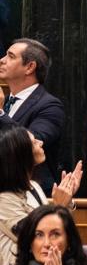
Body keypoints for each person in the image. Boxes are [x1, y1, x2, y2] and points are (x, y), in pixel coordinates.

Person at [0, 124, 78, 265]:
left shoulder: (34, 186)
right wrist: (59, 206)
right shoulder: (4, 200)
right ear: (21, 154)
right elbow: (31, 237)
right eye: (34, 142)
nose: (41, 143)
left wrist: (67, 201)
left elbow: (59, 231)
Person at [0, 40, 64, 188]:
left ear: (30, 67)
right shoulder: (6, 102)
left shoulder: (50, 106)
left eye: (10, 56)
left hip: (30, 193)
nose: (2, 60)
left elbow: (31, 143)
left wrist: (1, 114)